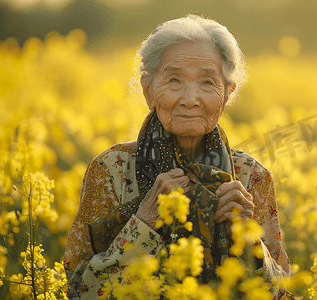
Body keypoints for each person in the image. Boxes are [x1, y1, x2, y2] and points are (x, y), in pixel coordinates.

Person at [64, 14, 290, 299]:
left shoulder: (251, 176)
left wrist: (248, 240)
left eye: (208, 82)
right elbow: (77, 290)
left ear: (227, 93)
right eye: (174, 80)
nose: (190, 98)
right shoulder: (110, 169)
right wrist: (144, 221)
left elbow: (278, 293)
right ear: (148, 89)